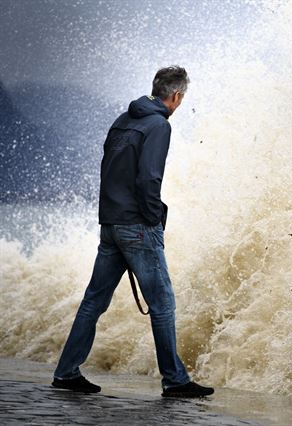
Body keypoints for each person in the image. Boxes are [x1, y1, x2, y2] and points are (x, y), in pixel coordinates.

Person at [52, 66, 213, 398]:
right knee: (163, 303)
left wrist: (114, 214)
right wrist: (154, 218)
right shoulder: (158, 126)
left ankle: (66, 373)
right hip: (138, 227)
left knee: (94, 301)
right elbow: (148, 179)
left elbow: (108, 167)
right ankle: (175, 380)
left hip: (110, 224)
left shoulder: (123, 120)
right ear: (177, 96)